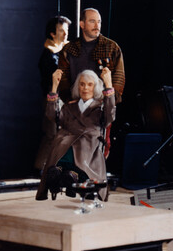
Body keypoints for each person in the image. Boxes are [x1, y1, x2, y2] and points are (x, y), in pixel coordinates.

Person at [35, 67, 116, 202]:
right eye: (82, 84)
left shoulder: (101, 107)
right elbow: (52, 115)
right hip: (66, 141)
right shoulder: (69, 106)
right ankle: (65, 174)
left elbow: (110, 116)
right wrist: (54, 85)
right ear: (78, 86)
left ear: (95, 87)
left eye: (90, 85)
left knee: (76, 145)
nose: (85, 88)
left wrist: (108, 85)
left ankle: (68, 175)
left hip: (89, 144)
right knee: (62, 143)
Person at [57, 8, 125, 101]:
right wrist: (70, 102)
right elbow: (63, 81)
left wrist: (110, 101)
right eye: (92, 21)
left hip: (103, 107)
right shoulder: (68, 50)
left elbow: (119, 79)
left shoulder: (112, 48)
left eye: (99, 22)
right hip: (75, 108)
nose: (97, 26)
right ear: (82, 24)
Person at [34, 15, 71, 173]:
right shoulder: (49, 55)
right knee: (52, 135)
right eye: (61, 31)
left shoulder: (63, 52)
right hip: (52, 100)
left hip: (64, 100)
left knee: (59, 136)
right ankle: (41, 169)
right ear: (52, 34)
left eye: (66, 31)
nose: (65, 35)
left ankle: (50, 168)